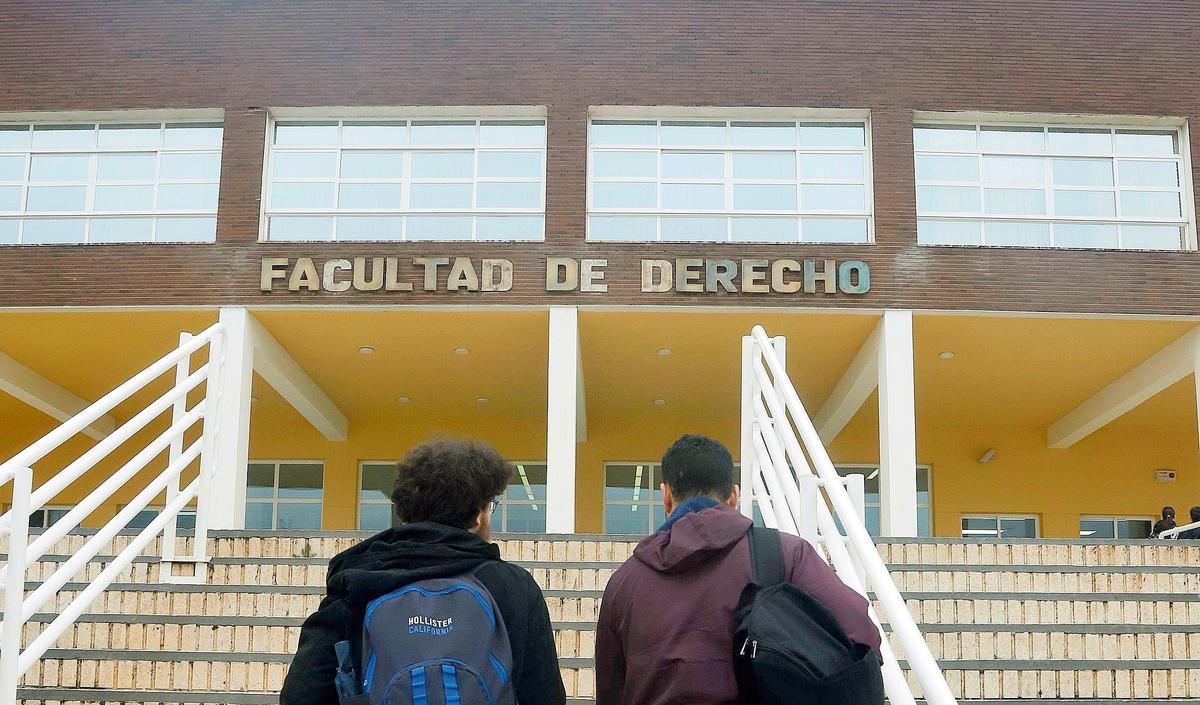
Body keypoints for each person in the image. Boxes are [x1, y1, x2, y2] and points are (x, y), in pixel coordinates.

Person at [595, 434, 881, 705]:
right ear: (734, 496)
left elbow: (610, 692)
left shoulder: (624, 583)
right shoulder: (784, 555)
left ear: (666, 497)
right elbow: (861, 637)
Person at [280, 438, 565, 705]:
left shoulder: (360, 578)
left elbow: (302, 692)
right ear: (477, 517)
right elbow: (545, 695)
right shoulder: (511, 586)